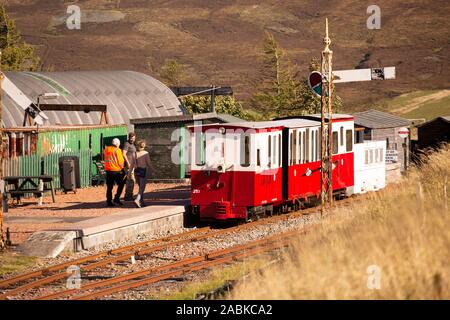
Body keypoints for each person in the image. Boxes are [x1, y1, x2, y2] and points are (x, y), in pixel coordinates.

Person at [104, 138, 125, 207]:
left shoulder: (106, 149)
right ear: (117, 144)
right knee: (121, 184)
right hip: (116, 171)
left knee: (109, 187)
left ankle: (109, 201)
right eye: (119, 144)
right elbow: (121, 162)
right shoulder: (117, 150)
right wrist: (123, 169)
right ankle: (116, 198)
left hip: (108, 171)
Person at [132, 140, 152, 208]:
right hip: (143, 171)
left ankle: (142, 201)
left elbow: (132, 165)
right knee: (142, 188)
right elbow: (148, 163)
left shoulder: (134, 153)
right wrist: (153, 169)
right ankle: (137, 199)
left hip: (136, 171)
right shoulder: (145, 153)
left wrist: (129, 174)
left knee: (140, 187)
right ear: (144, 146)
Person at [122, 132, 137, 201]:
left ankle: (129, 195)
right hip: (128, 165)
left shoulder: (133, 145)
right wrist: (128, 163)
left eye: (133, 138)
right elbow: (123, 154)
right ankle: (128, 196)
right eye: (131, 138)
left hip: (132, 165)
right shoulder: (126, 144)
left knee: (131, 180)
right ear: (129, 138)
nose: (132, 139)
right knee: (130, 180)